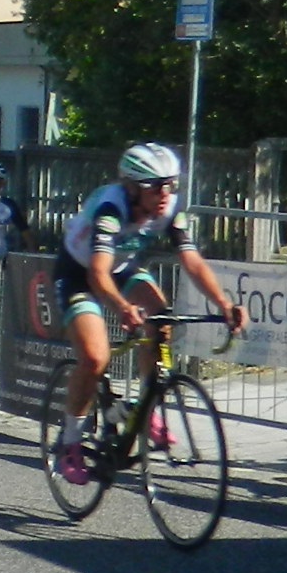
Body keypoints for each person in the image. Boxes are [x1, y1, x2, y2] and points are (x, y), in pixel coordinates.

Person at [52, 144, 243, 479]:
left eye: (170, 185)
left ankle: (144, 406)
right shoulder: (111, 209)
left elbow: (192, 261)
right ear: (131, 188)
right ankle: (69, 442)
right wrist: (123, 308)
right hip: (79, 273)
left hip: (120, 268)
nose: (164, 194)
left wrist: (224, 304)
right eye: (155, 186)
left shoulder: (169, 210)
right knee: (95, 358)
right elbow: (97, 274)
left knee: (161, 316)